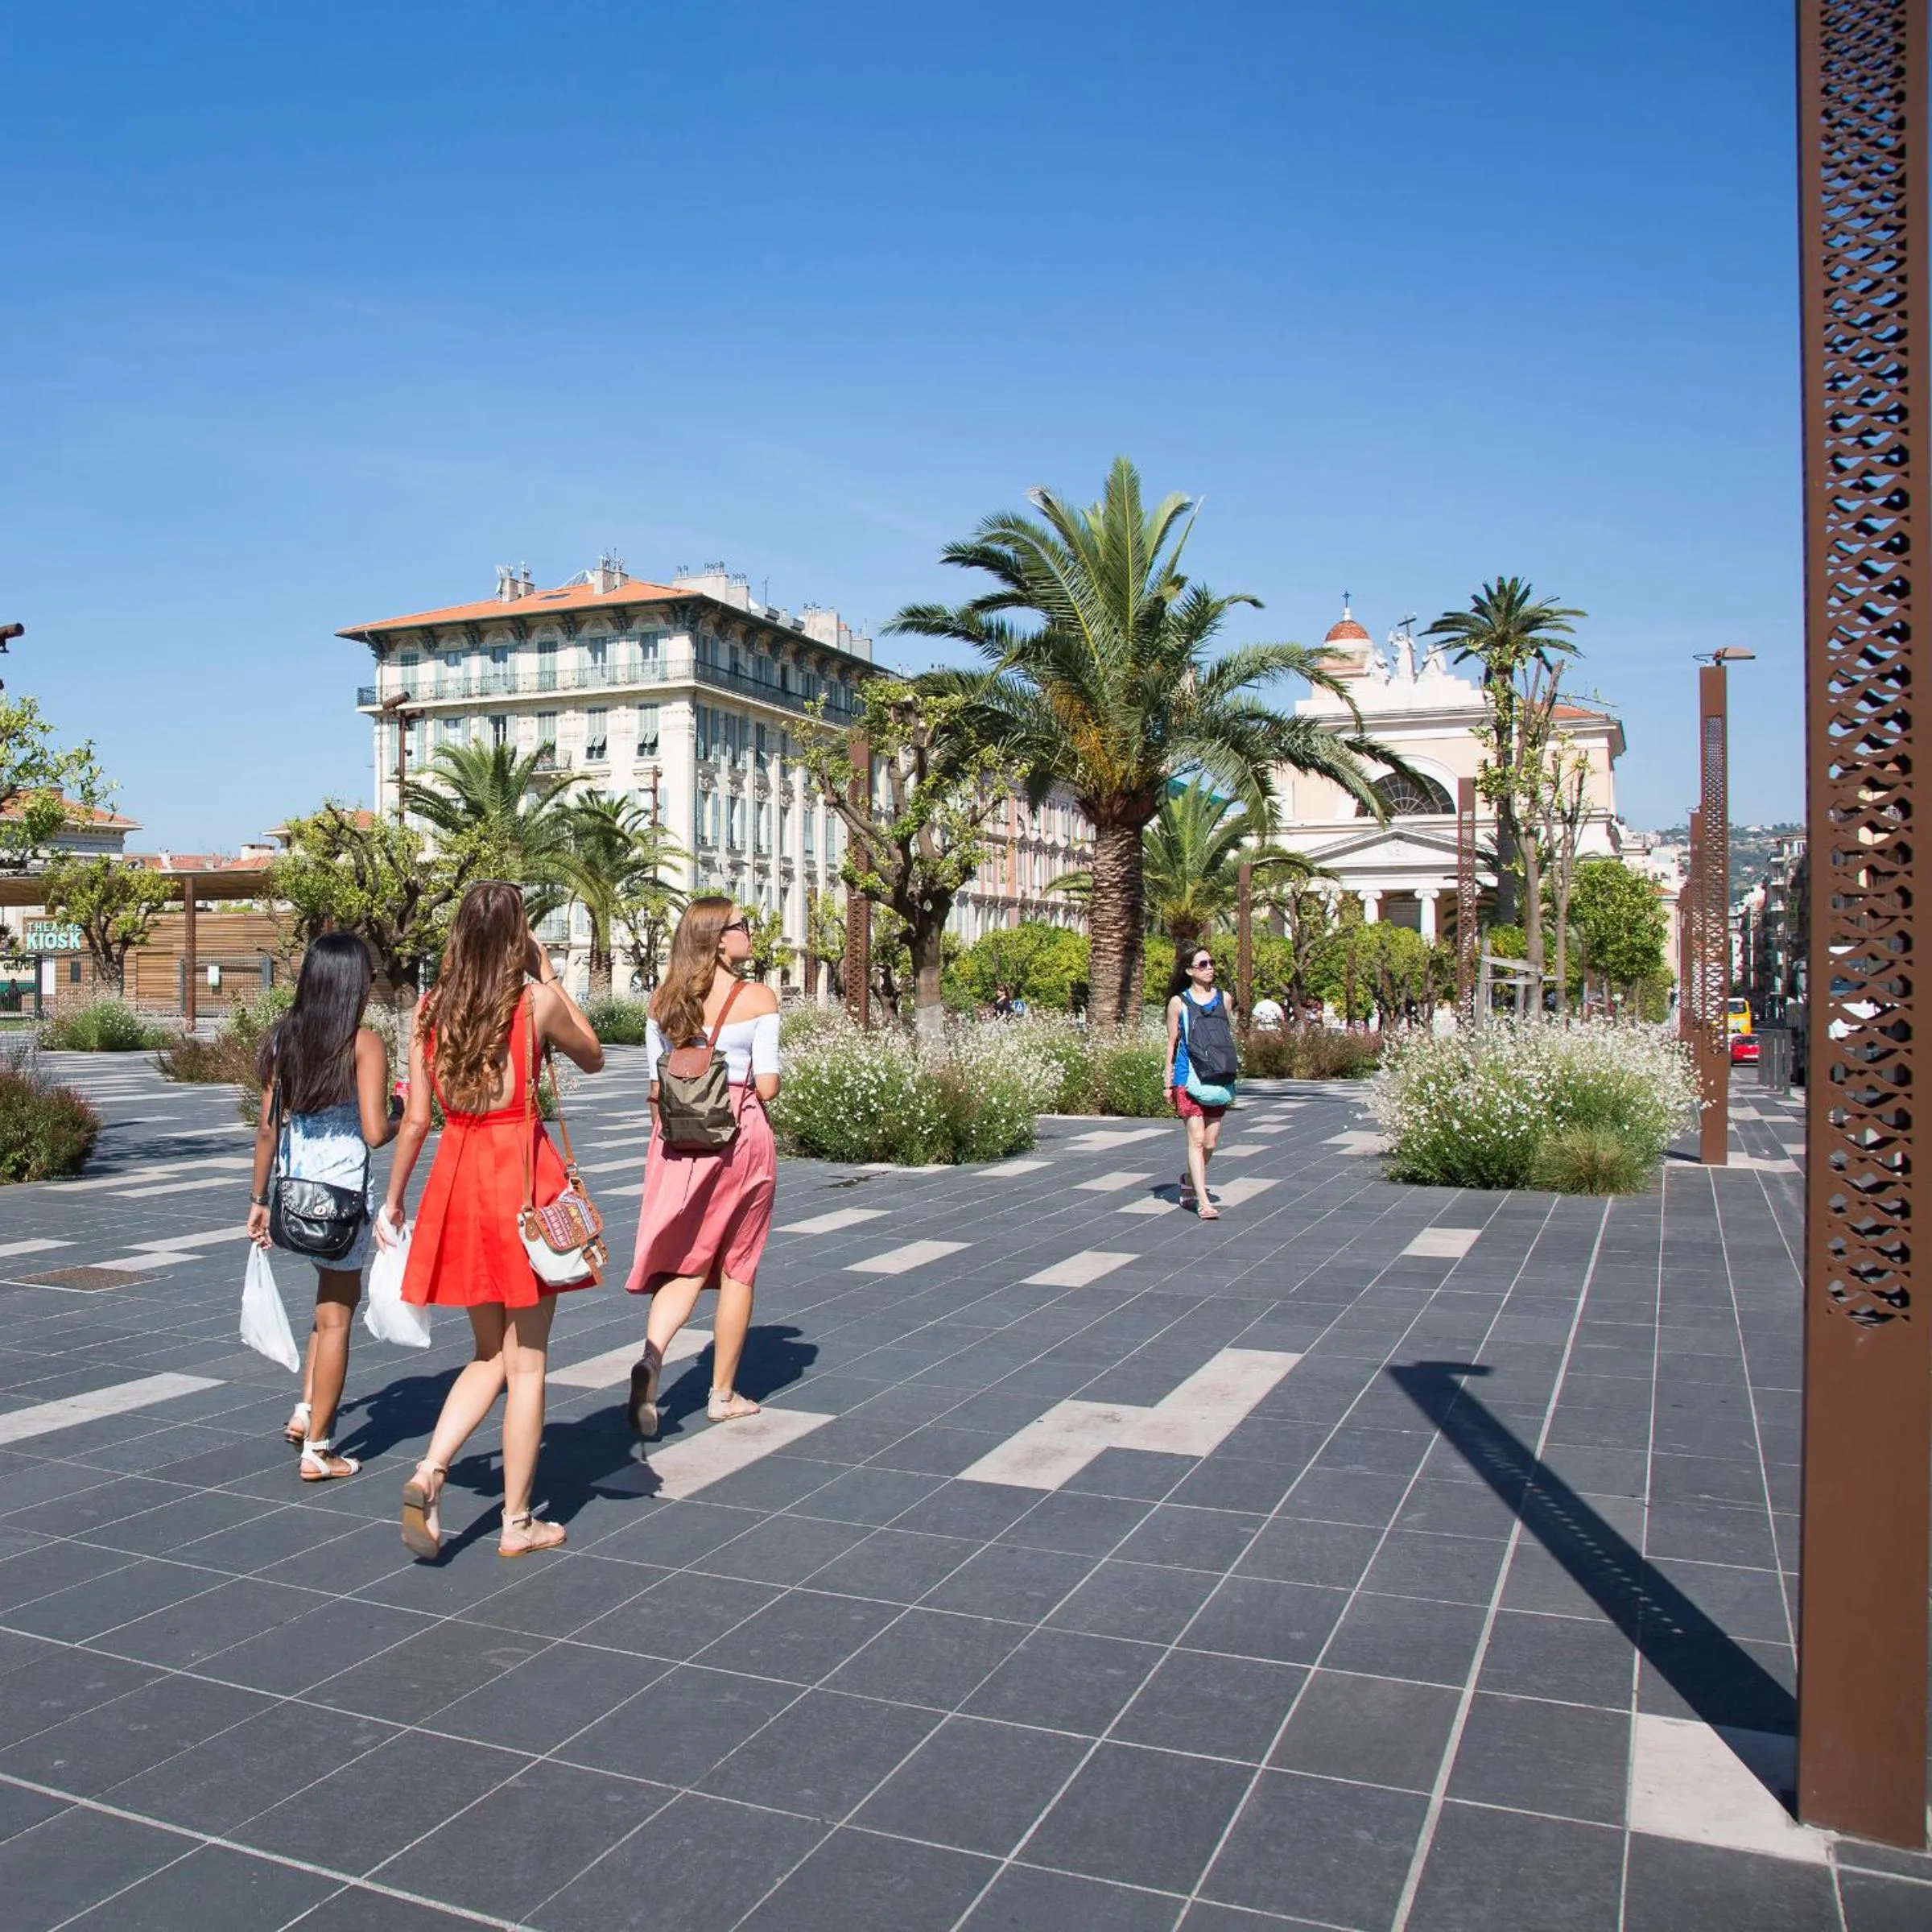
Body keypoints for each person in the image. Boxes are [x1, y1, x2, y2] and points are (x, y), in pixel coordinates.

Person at [381, 881, 605, 1560]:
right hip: (521, 1176)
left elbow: (418, 1117)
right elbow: (593, 1054)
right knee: (528, 1364)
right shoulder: (533, 1004)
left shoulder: (429, 1010)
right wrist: (551, 974)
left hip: (460, 1177)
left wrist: (394, 1200)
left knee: (488, 1355)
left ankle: (431, 1469)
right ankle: (516, 1522)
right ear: (516, 936)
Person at [625, 898, 781, 1438]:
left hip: (677, 1141)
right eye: (743, 925)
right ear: (718, 939)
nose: (749, 933)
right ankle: (722, 1394)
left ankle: (652, 1357)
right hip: (739, 1136)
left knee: (688, 1262)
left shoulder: (661, 1003)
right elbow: (768, 1086)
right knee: (739, 1263)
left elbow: (653, 1088)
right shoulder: (757, 997)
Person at [248, 933, 396, 1482]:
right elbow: (377, 1132)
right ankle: (319, 1448)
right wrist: (407, 1115)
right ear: (354, 984)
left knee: (320, 1310)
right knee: (337, 1319)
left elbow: (267, 1129)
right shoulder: (363, 1044)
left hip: (292, 1195)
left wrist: (258, 1200)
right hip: (342, 1205)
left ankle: (305, 1409)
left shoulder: (282, 1040)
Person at [1164, 945, 1235, 1220]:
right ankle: (1203, 1201)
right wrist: (1167, 1080)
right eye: (1203, 964)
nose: (1210, 968)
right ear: (1190, 970)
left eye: (1211, 963)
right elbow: (1172, 1042)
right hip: (1187, 1075)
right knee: (1196, 1139)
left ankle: (1188, 1179)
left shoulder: (1225, 999)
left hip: (1218, 1076)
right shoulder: (1178, 1003)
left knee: (1210, 1143)